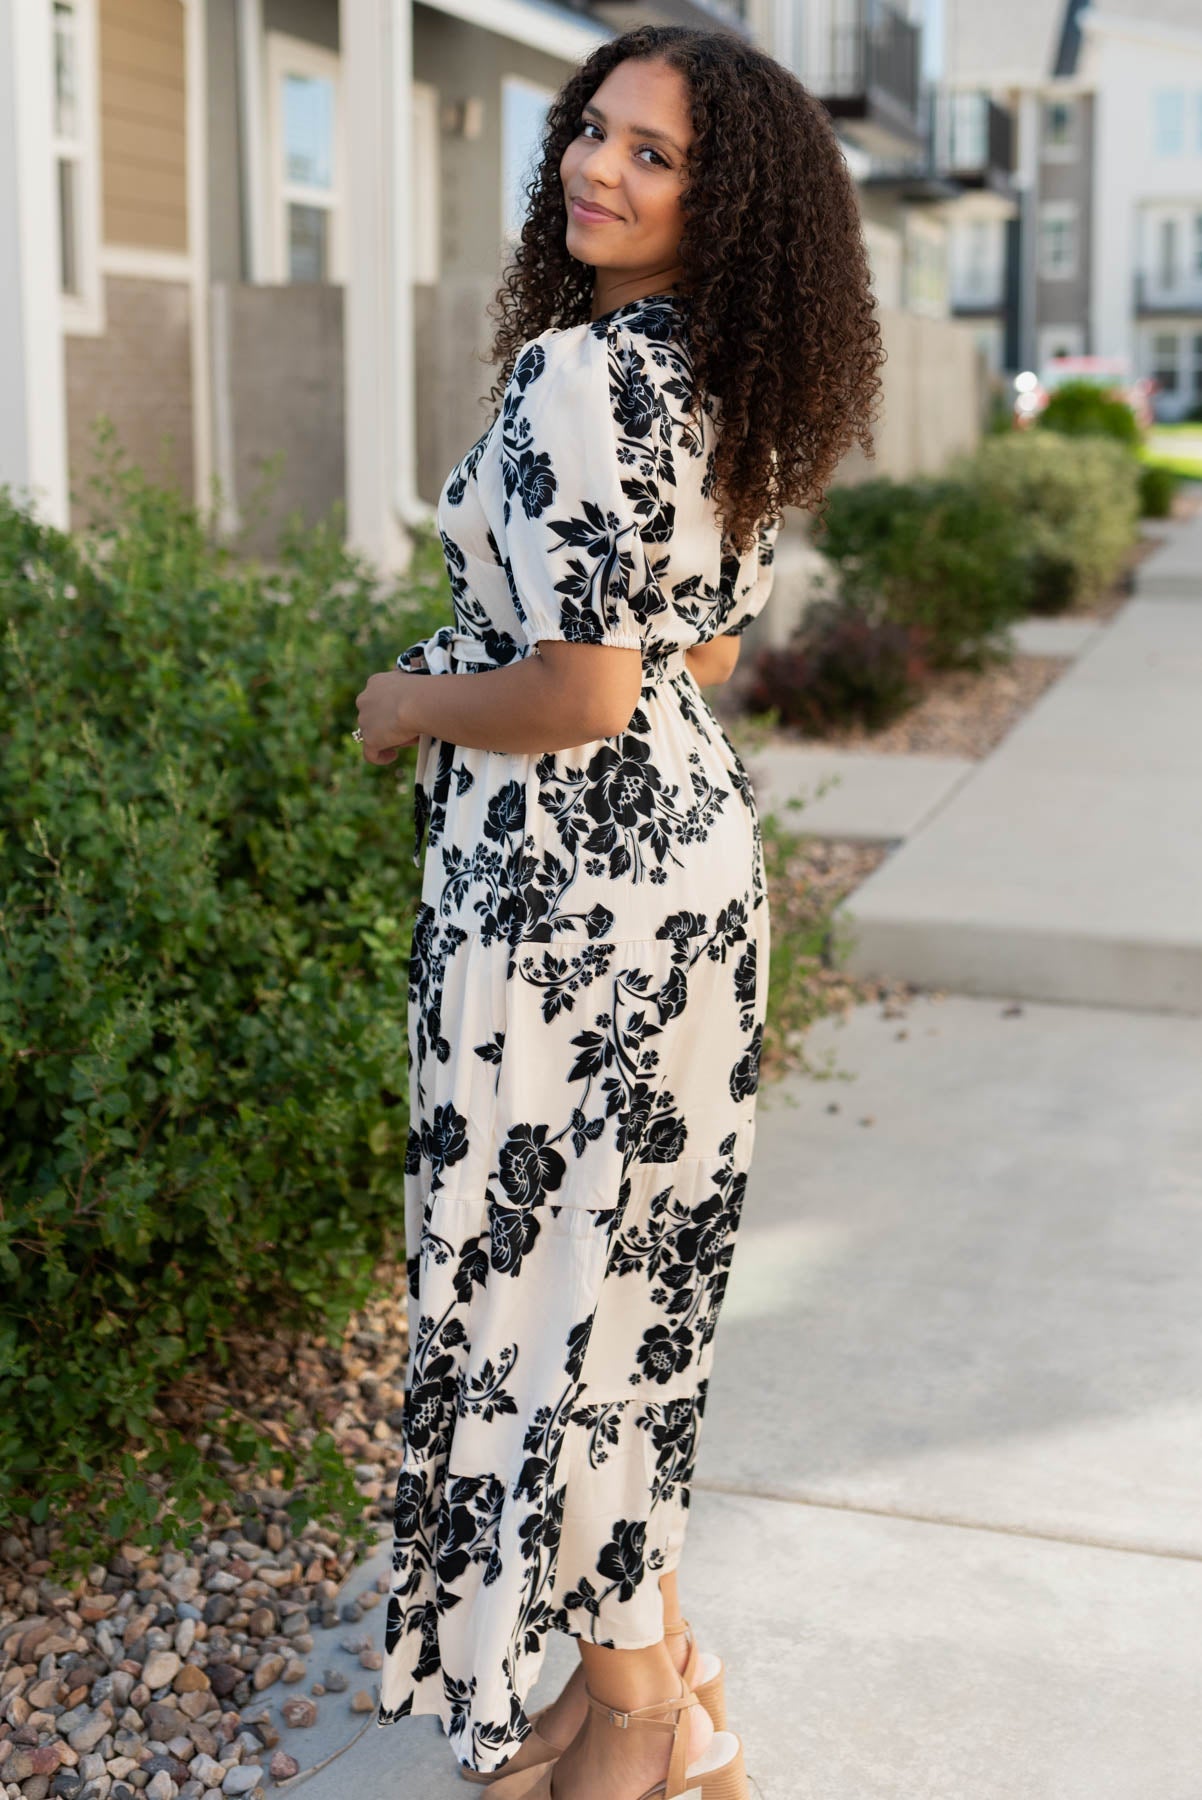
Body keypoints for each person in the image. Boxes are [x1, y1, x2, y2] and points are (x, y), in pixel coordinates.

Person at [355, 23, 882, 1800]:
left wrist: (408, 700)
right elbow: (704, 655)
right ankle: (652, 1696)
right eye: (593, 130)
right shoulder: (729, 375)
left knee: (547, 1291)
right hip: (680, 870)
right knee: (618, 1290)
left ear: (720, 195)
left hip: (568, 887)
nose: (596, 165)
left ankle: (640, 1711)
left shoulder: (584, 380)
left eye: (651, 153)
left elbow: (578, 697)